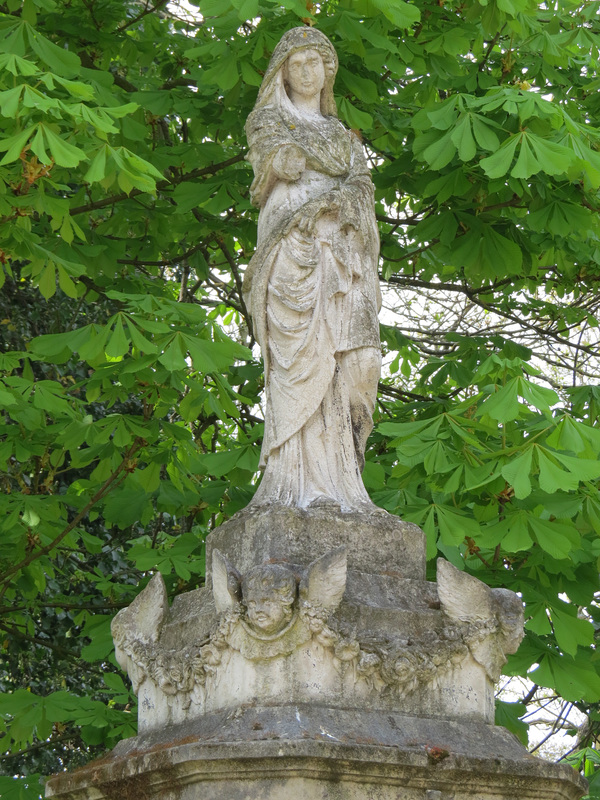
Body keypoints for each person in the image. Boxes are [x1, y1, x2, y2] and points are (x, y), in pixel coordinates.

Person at [244, 27, 381, 512]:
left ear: (328, 72)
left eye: (315, 63)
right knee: (301, 364)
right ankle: (299, 488)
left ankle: (347, 486)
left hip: (344, 258)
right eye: (296, 63)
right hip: (292, 250)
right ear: (282, 72)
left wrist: (337, 199)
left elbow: (361, 188)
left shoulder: (343, 138)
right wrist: (283, 159)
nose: (306, 72)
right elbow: (272, 162)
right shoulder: (267, 121)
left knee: (361, 367)